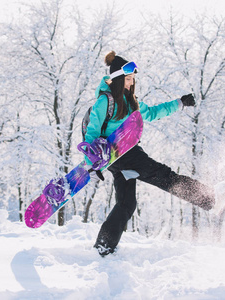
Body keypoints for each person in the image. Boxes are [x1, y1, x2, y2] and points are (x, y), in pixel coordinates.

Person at [85, 51, 215, 257]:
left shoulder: (131, 101)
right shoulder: (105, 102)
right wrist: (92, 164)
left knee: (126, 204)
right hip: (123, 155)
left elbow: (153, 113)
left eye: (133, 79)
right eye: (128, 79)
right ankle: (207, 197)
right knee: (165, 177)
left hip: (121, 160)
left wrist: (180, 103)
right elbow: (91, 132)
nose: (131, 83)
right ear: (118, 79)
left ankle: (104, 247)